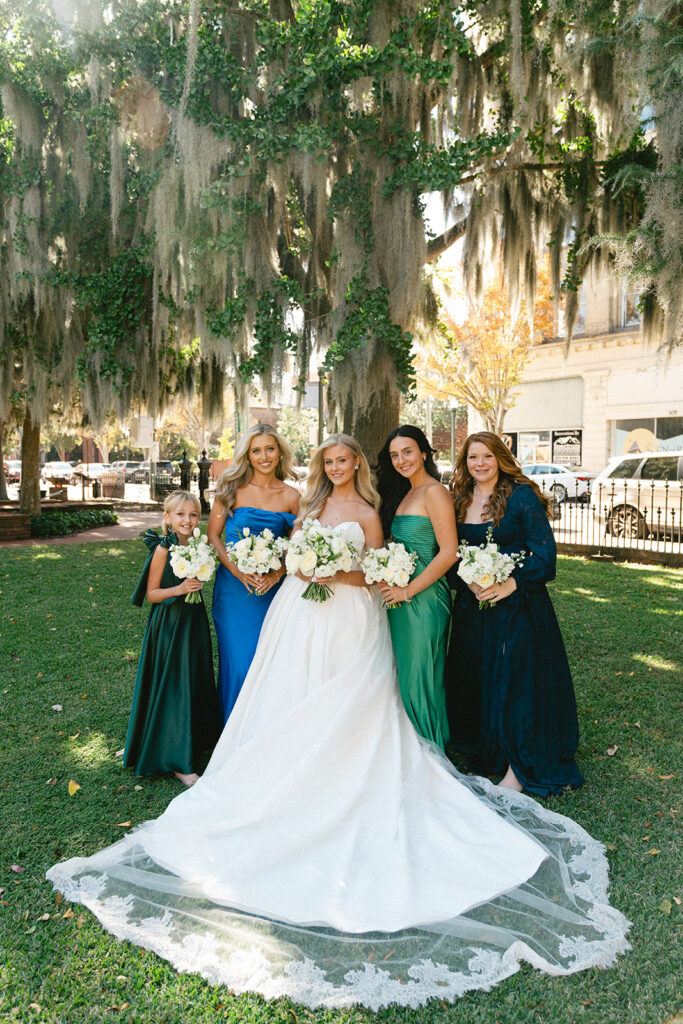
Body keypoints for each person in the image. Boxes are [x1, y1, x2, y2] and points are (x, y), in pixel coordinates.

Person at [47, 435, 629, 1011]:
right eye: (328, 460)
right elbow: (296, 558)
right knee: (292, 700)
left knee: (356, 704)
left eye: (344, 459)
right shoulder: (310, 506)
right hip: (301, 616)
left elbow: (373, 575)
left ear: (357, 464)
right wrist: (305, 566)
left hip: (351, 617)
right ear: (324, 466)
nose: (336, 467)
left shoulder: (371, 513)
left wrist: (335, 574)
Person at [444, 431, 585, 795]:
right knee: (482, 677)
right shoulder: (458, 499)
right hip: (475, 608)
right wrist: (470, 582)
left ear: (500, 458)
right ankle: (491, 750)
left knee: (516, 683)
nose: (480, 464)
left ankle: (517, 768)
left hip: (519, 607)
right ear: (465, 462)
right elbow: (451, 555)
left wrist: (510, 584)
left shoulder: (521, 497)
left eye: (487, 457)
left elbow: (545, 556)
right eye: (473, 457)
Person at [123, 491, 220, 786]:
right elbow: (151, 593)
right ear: (167, 518)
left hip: (193, 620)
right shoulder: (163, 550)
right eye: (180, 514)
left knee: (192, 679)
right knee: (173, 684)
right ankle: (178, 759)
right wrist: (179, 590)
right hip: (169, 623)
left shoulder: (197, 547)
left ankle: (196, 740)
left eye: (192, 514)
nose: (187, 520)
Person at [207, 423, 299, 725]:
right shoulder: (229, 490)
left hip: (273, 591)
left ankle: (264, 732)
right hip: (235, 591)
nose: (264, 456)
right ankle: (233, 730)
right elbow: (214, 537)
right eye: (256, 450)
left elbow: (298, 547)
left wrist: (277, 575)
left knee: (270, 662)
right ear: (247, 455)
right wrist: (238, 572)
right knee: (239, 662)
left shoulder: (291, 496)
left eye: (269, 449)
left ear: (279, 452)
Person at [375, 426, 458, 749]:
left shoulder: (434, 492)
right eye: (394, 455)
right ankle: (411, 750)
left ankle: (431, 750)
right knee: (405, 676)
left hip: (423, 598)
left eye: (407, 452)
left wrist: (408, 591)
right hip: (399, 598)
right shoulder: (405, 493)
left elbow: (449, 553)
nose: (401, 460)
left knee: (421, 676)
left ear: (424, 452)